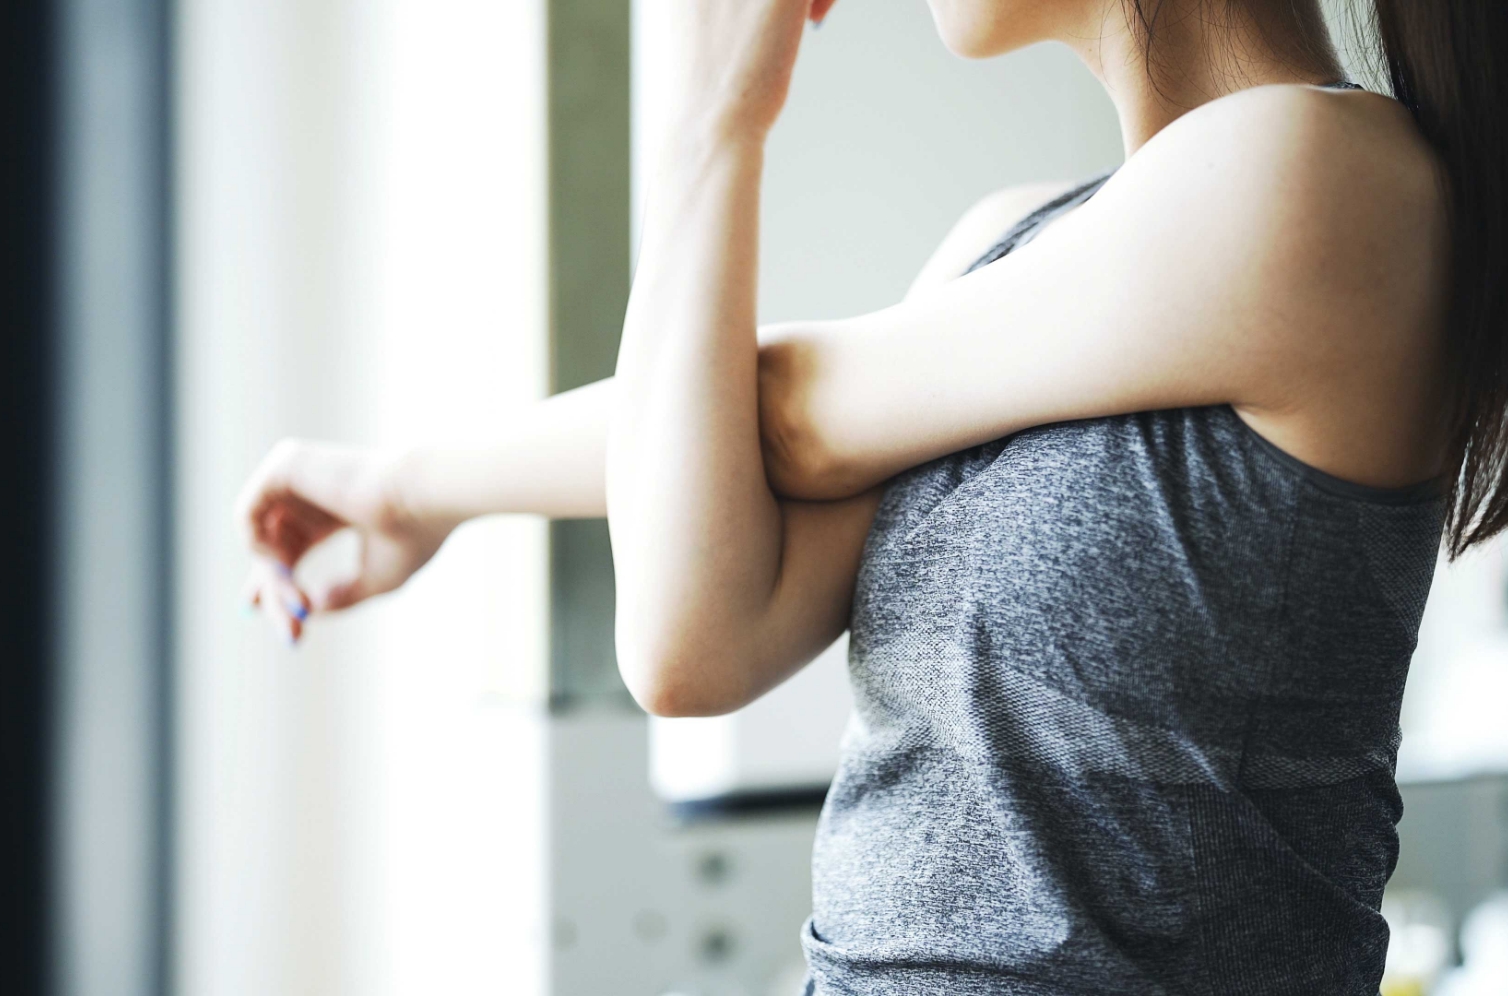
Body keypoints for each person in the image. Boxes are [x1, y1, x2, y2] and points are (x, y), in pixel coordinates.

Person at [236, 0, 1508, 990]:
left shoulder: (1321, 174)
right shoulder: (1014, 239)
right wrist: (409, 490)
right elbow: (698, 633)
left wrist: (709, 123)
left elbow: (787, 414)